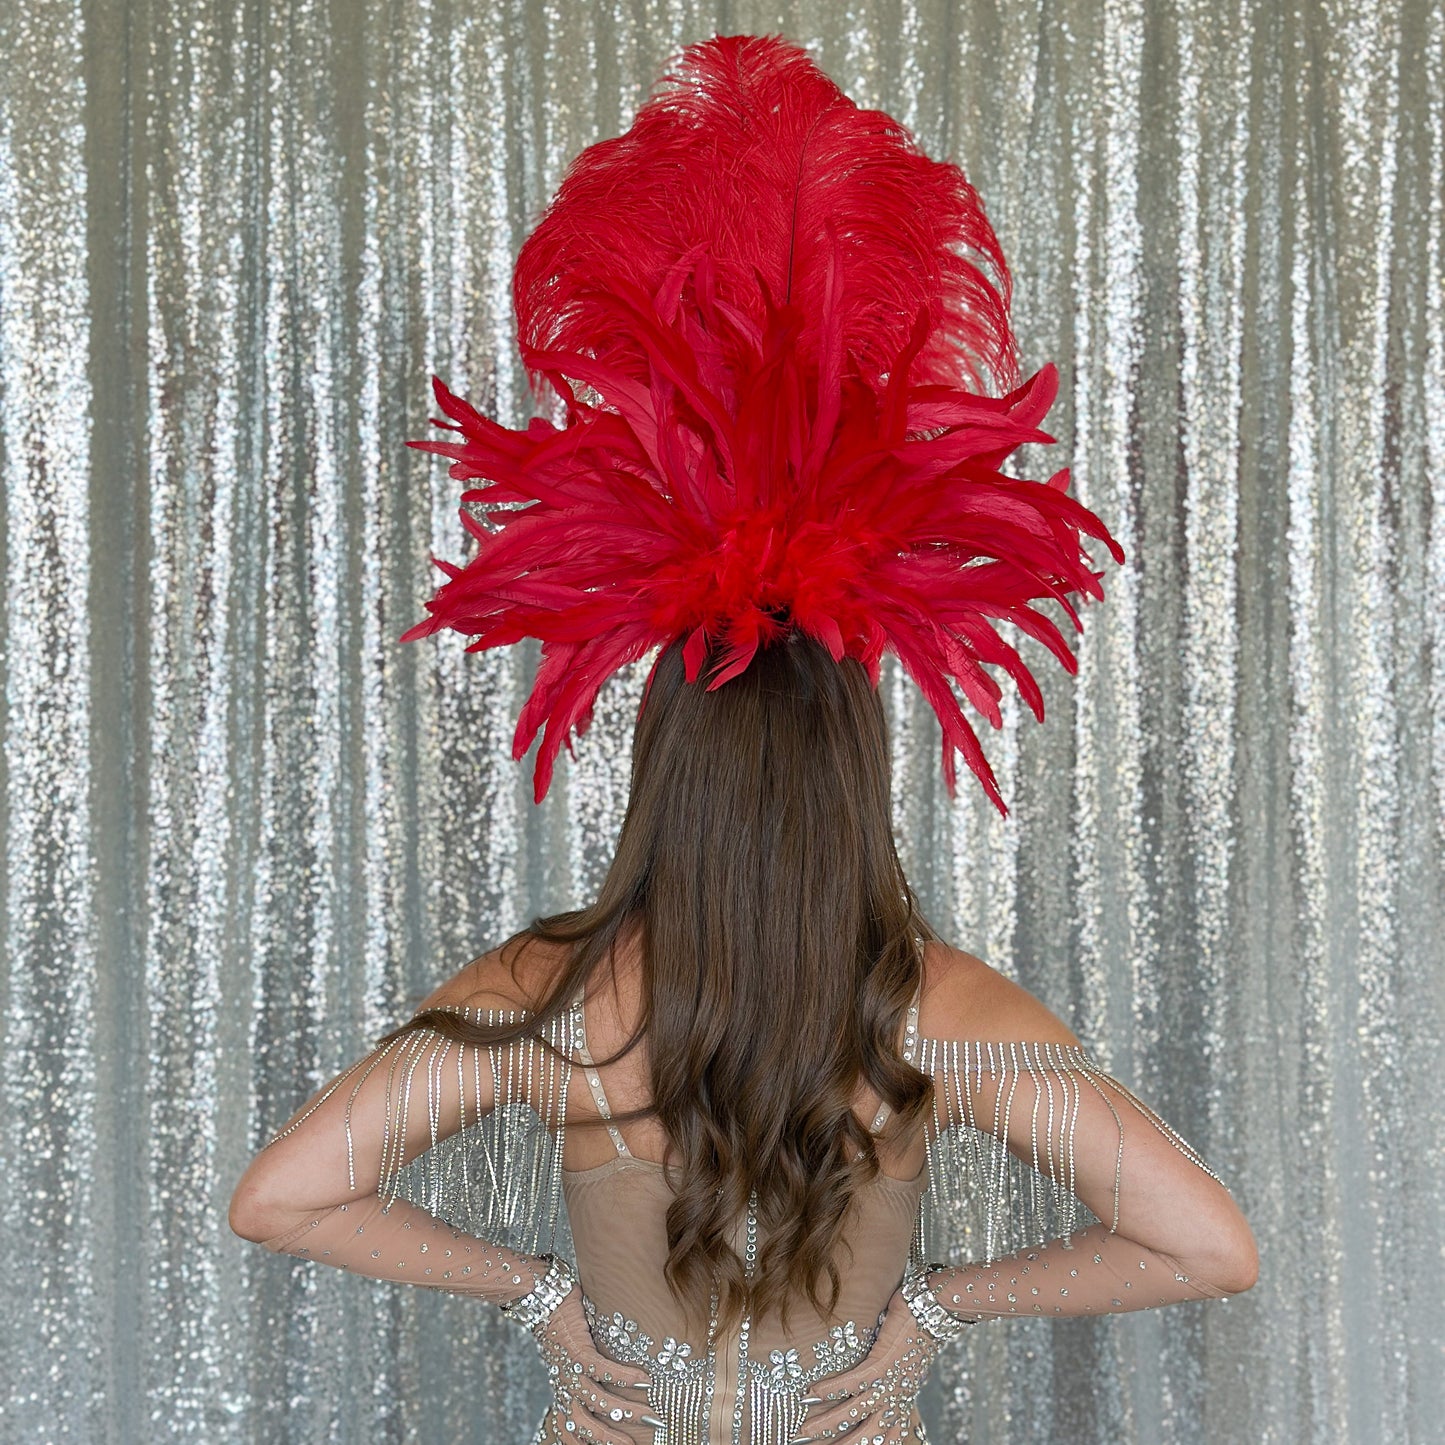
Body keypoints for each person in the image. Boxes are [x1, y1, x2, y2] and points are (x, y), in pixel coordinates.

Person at [228, 33, 1257, 1445]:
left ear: (667, 764)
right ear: (855, 769)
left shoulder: (554, 996)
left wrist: (536, 1294)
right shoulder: (939, 1013)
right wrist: (940, 1309)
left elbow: (279, 1196)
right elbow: (1205, 1244)